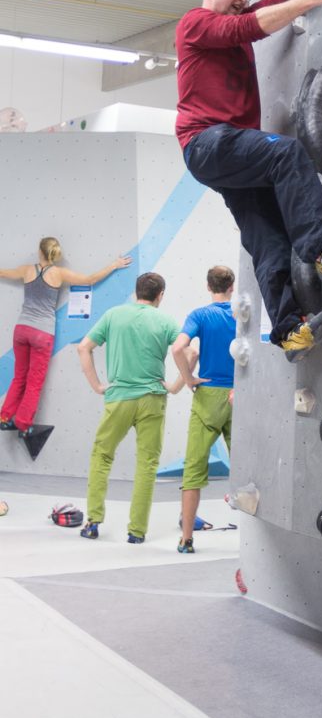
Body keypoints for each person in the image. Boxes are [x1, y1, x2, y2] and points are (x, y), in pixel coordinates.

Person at [175, 0, 322, 364]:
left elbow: (270, 4)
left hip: (224, 156)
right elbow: (253, 26)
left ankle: (288, 332)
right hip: (208, 141)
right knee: (286, 153)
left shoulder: (236, 18)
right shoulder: (196, 23)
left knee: (266, 240)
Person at [77, 272, 181, 544]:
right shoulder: (165, 320)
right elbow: (189, 352)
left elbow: (84, 347)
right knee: (147, 465)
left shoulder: (113, 315)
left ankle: (93, 522)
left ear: (137, 292)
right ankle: (136, 532)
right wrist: (178, 384)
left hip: (119, 398)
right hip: (153, 399)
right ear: (160, 295)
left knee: (102, 455)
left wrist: (97, 386)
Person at [0, 237, 131, 434]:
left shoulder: (27, 270)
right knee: (34, 382)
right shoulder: (59, 274)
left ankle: (4, 416)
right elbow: (90, 280)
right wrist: (115, 264)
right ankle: (23, 424)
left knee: (19, 376)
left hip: (22, 329)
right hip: (42, 333)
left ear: (40, 251)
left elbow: (2, 272)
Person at [171, 265, 237, 554]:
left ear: (208, 287)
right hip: (239, 394)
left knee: (193, 471)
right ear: (232, 287)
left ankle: (186, 539)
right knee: (250, 470)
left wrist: (188, 379)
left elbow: (177, 349)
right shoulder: (241, 314)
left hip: (207, 394)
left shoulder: (199, 315)